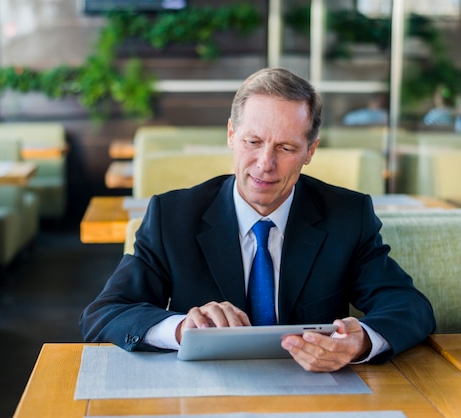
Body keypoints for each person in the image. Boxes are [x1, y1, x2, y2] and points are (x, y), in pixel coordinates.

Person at [79, 67, 436, 372]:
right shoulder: (172, 216)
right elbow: (105, 313)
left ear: (310, 151)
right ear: (231, 135)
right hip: (206, 394)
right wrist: (182, 328)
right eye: (253, 141)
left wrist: (361, 343)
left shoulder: (347, 215)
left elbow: (409, 306)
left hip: (315, 395)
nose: (266, 163)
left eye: (286, 148)